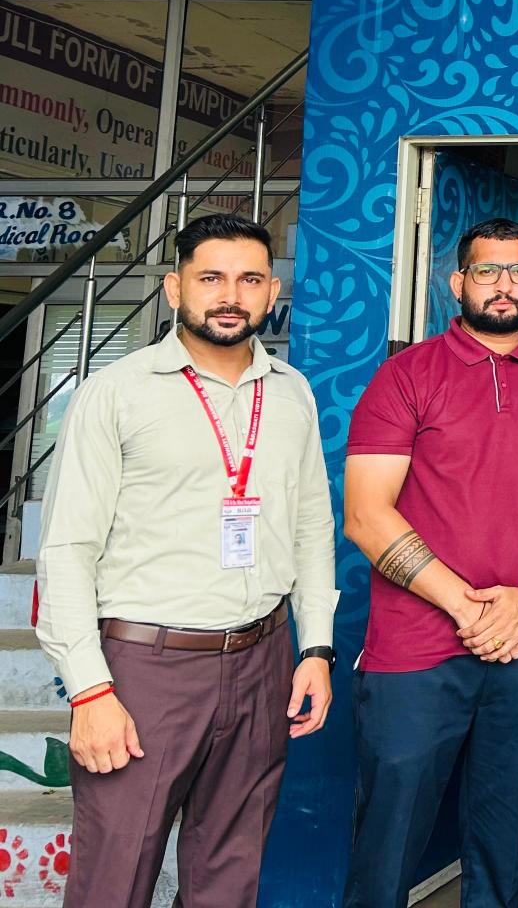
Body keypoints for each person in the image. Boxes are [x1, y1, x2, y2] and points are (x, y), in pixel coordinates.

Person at [36, 212, 337, 908]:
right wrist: (89, 691)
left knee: (229, 877)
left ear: (271, 293)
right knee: (114, 879)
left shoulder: (291, 390)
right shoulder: (118, 391)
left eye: (250, 279)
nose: (230, 295)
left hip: (262, 662)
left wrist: (315, 648)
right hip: (146, 669)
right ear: (175, 288)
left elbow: (311, 529)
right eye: (211, 278)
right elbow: (68, 550)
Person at [342, 217, 518, 908]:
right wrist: (471, 608)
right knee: (388, 841)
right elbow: (366, 515)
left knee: (502, 841)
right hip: (416, 649)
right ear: (457, 282)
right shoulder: (406, 376)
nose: (504, 285)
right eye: (487, 271)